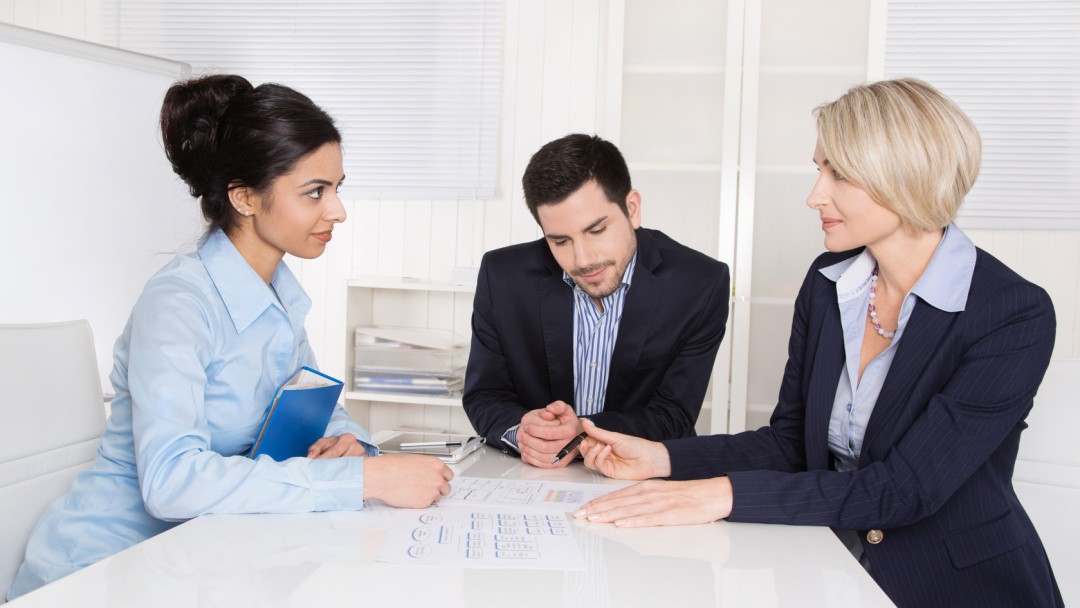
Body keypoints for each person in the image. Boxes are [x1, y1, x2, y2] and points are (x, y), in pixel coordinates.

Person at [573, 79, 1063, 607]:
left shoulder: (1010, 313)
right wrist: (661, 459)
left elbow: (906, 488)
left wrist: (718, 494)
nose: (814, 195)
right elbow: (790, 443)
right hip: (825, 569)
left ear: (905, 178)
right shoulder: (830, 282)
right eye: (818, 169)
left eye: (840, 174)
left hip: (956, 586)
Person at [7, 74, 453, 601]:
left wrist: (351, 445)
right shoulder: (179, 304)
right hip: (100, 571)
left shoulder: (280, 297)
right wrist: (365, 481)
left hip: (203, 557)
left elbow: (312, 406)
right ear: (244, 197)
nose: (337, 210)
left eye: (337, 188)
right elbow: (171, 482)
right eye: (315, 192)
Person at [463, 134, 730, 469]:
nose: (583, 259)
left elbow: (674, 414)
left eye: (597, 231)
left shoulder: (699, 284)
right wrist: (523, 432)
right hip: (530, 476)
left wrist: (584, 432)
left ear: (632, 209)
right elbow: (484, 394)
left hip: (640, 476)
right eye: (560, 240)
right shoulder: (502, 276)